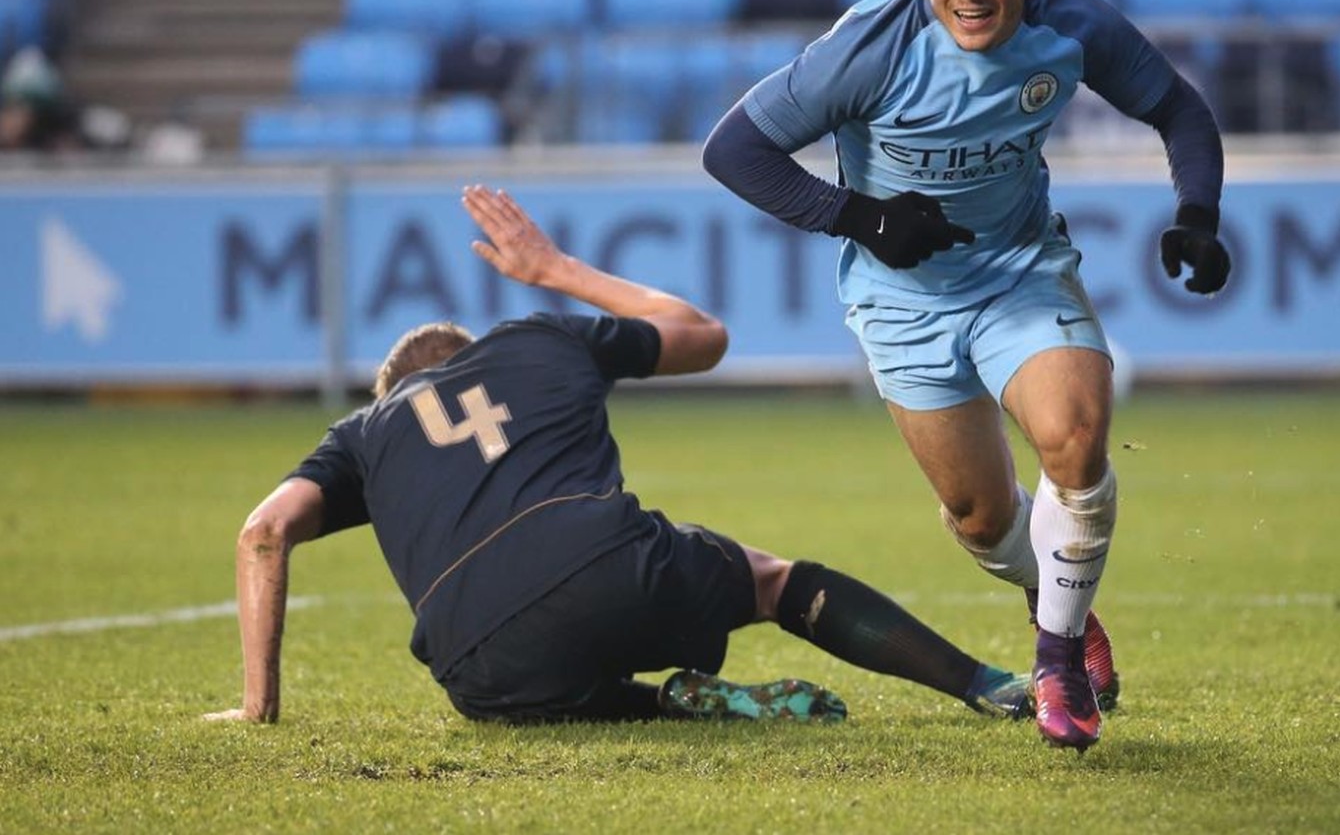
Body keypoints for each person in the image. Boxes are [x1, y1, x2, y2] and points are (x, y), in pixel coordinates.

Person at [701, 0, 1232, 749]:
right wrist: (862, 217)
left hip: (1021, 271)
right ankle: (1049, 593)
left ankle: (1057, 660)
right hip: (901, 302)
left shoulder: (1072, 20)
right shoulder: (870, 45)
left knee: (1074, 435)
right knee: (982, 519)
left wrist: (1199, 215)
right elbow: (735, 149)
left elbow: (1177, 108)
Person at [204, 185, 1039, 727]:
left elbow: (264, 534)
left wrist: (258, 709)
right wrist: (553, 268)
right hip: (606, 566)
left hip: (479, 672)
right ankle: (984, 684)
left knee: (549, 682)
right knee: (776, 582)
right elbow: (702, 336)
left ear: (392, 393)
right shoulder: (531, 337)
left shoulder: (364, 436)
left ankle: (676, 708)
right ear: (467, 354)